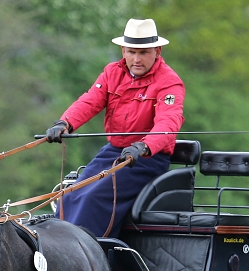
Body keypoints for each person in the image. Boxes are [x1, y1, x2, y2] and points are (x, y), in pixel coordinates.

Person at [46, 18, 185, 237]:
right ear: (123, 50)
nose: (136, 59)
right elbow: (90, 101)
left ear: (157, 51)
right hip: (112, 153)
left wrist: (144, 147)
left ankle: (90, 258)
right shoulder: (112, 73)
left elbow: (168, 123)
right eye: (131, 52)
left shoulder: (169, 82)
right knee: (70, 195)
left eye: (143, 53)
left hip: (145, 160)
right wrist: (65, 123)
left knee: (93, 197)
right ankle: (55, 251)